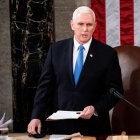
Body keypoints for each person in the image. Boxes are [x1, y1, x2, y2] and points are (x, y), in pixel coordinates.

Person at [27, 6, 123, 136]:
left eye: (89, 24)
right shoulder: (56, 50)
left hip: (95, 128)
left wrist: (96, 108)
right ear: (72, 25)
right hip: (61, 127)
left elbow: (115, 90)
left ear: (95, 26)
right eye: (80, 24)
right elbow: (45, 87)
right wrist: (36, 116)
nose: (85, 29)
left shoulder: (107, 53)